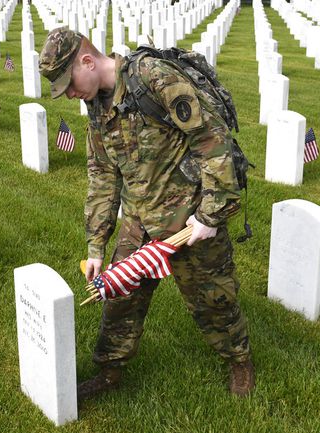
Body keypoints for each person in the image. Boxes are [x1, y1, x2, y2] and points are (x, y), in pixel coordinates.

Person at [38, 27, 255, 401]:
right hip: (139, 219)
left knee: (214, 299)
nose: (70, 93)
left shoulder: (153, 77)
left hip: (190, 215)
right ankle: (109, 373)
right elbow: (102, 174)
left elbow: (211, 139)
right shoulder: (96, 106)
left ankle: (239, 360)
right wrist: (95, 246)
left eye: (69, 83)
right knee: (121, 299)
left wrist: (210, 215)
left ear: (87, 62)